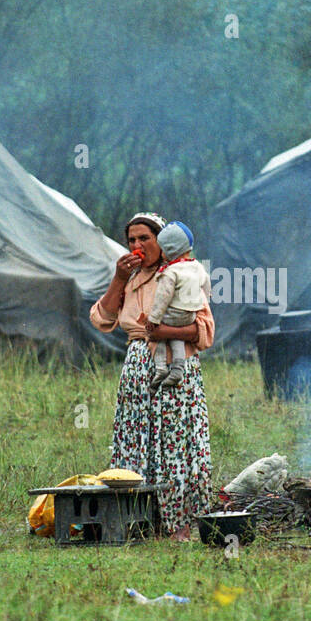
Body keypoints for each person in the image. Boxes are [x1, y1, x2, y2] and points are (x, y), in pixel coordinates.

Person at [90, 212, 214, 540]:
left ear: (162, 241)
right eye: (131, 240)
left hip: (175, 365)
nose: (137, 245)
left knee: (175, 443)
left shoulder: (183, 273)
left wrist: (161, 331)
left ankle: (181, 524)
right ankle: (141, 522)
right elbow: (102, 318)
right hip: (136, 368)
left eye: (145, 238)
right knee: (136, 442)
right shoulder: (129, 278)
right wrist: (118, 277)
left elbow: (203, 329)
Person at [146, 221, 210, 392]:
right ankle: (178, 369)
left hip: (172, 314)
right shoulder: (197, 266)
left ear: (169, 250)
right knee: (177, 337)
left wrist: (154, 319)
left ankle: (160, 367)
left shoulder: (170, 272)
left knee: (158, 333)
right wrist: (205, 299)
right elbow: (206, 283)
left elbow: (163, 298)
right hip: (190, 315)